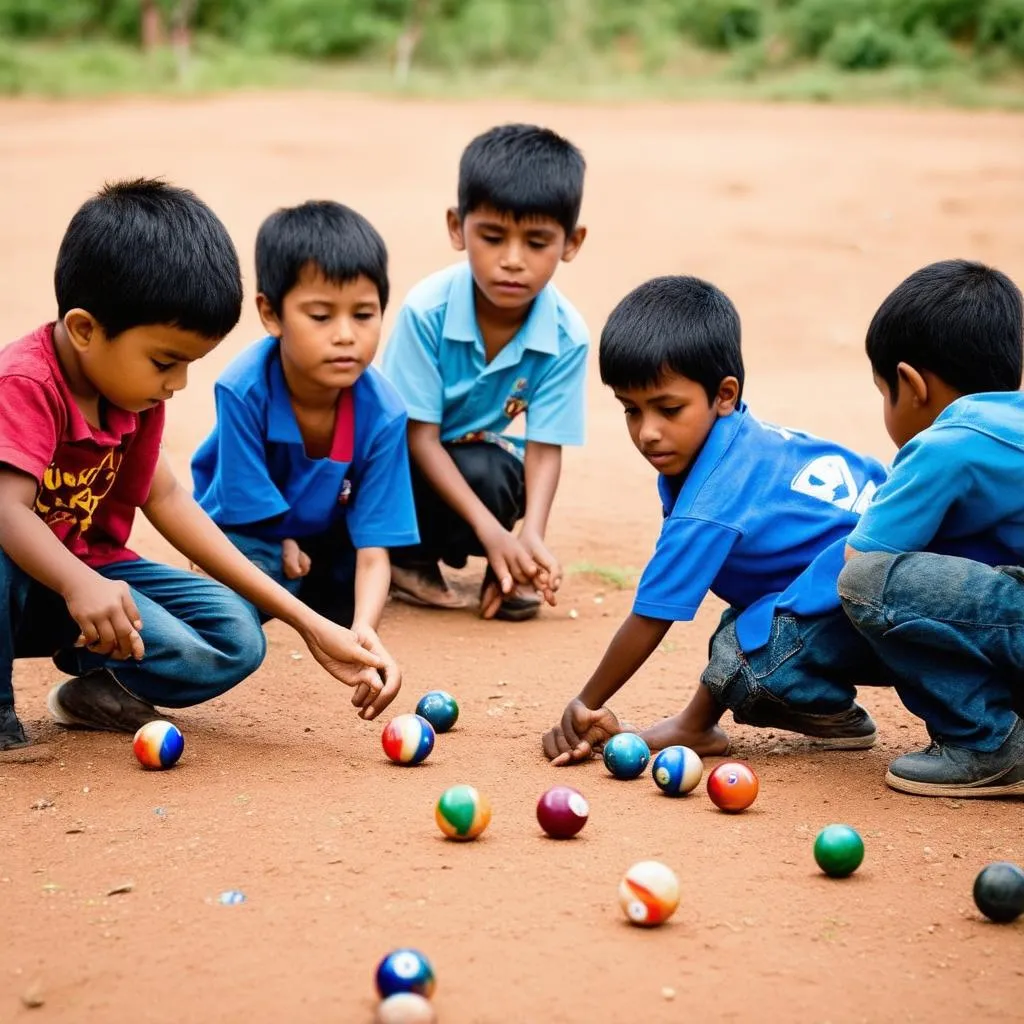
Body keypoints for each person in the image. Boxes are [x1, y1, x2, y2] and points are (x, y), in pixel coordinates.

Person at [0, 180, 387, 754]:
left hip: (89, 583)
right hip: (29, 575)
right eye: (165, 361)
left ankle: (96, 687)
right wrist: (77, 581)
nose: (177, 384)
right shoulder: (26, 384)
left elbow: (169, 501)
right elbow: (6, 509)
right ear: (85, 330)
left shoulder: (137, 398)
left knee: (236, 639)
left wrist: (310, 623)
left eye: (188, 364)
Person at [542, 275, 888, 765]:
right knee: (748, 618)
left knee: (745, 653)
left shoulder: (713, 497)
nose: (648, 432)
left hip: (888, 605)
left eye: (668, 408)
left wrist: (587, 702)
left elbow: (652, 615)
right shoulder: (742, 439)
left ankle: (826, 711)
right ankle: (700, 726)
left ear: (724, 394)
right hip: (869, 583)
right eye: (631, 411)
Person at [192, 200, 416, 691]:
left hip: (325, 531)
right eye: (319, 315)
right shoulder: (243, 388)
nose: (345, 336)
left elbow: (375, 550)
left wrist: (365, 631)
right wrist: (283, 538)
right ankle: (203, 573)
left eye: (364, 314)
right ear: (271, 314)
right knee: (262, 574)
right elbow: (246, 507)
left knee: (344, 593)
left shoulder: (384, 412)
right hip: (243, 525)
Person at [381, 123, 589, 621]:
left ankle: (496, 570)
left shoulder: (567, 336)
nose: (512, 261)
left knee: (498, 475)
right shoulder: (425, 312)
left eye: (537, 242)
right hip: (391, 463)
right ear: (458, 228)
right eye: (492, 237)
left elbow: (544, 447)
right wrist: (492, 534)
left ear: (571, 242)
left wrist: (528, 538)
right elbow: (418, 438)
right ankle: (399, 559)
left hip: (461, 463)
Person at [838, 259, 1024, 798]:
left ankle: (987, 741)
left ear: (911, 385)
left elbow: (860, 563)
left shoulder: (946, 443)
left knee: (870, 584)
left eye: (882, 391)